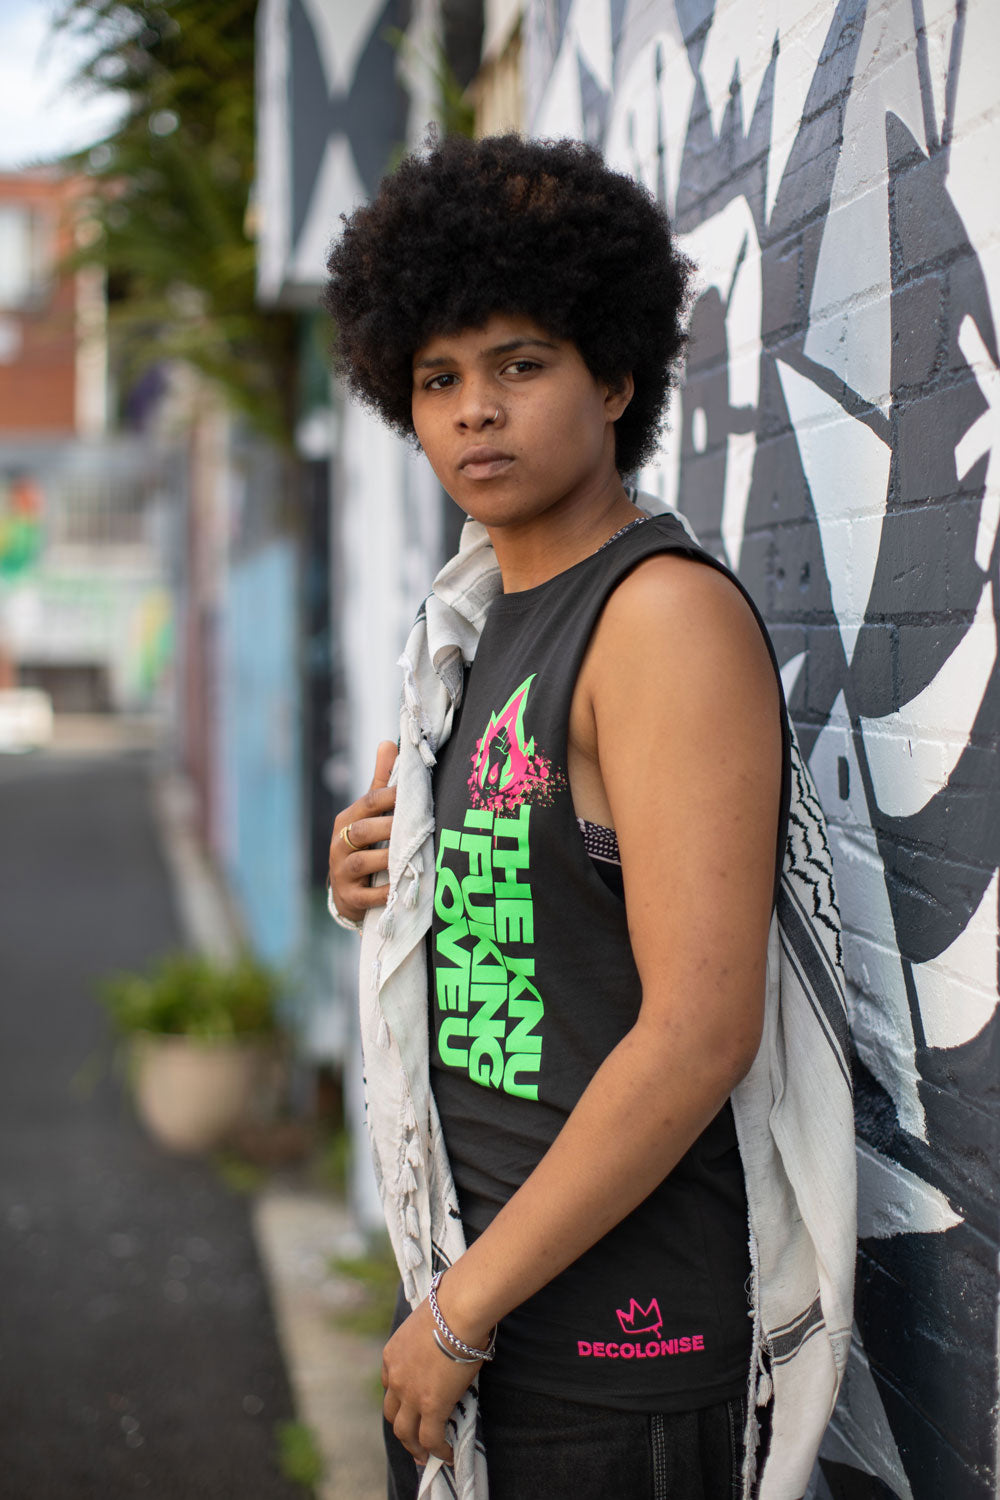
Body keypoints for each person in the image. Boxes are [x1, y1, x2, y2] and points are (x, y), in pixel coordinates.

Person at [324, 134, 855, 1500]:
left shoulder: (658, 619)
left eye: (520, 366)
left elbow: (699, 1031)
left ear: (616, 378)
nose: (474, 413)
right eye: (438, 379)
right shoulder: (486, 621)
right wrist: (379, 873)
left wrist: (459, 1314)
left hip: (615, 1349)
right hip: (485, 1296)